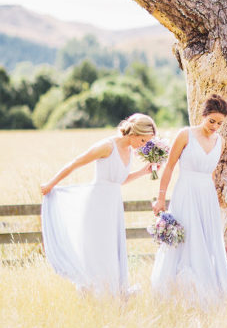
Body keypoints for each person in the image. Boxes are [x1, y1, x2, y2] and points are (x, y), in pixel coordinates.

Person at [40, 113, 157, 298]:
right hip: (97, 205)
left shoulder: (129, 151)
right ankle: (95, 294)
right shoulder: (107, 146)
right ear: (133, 133)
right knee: (98, 250)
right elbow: (76, 163)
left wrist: (143, 172)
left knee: (112, 250)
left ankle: (112, 296)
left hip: (113, 206)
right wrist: (50, 184)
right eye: (143, 140)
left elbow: (118, 180)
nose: (143, 145)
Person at [150, 95, 227, 305]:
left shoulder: (220, 141)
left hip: (206, 194)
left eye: (220, 123)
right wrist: (161, 198)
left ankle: (207, 287)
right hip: (185, 192)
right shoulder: (185, 135)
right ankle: (178, 289)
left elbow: (212, 173)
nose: (215, 126)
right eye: (211, 121)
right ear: (203, 116)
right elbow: (169, 167)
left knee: (207, 239)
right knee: (186, 236)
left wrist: (212, 197)